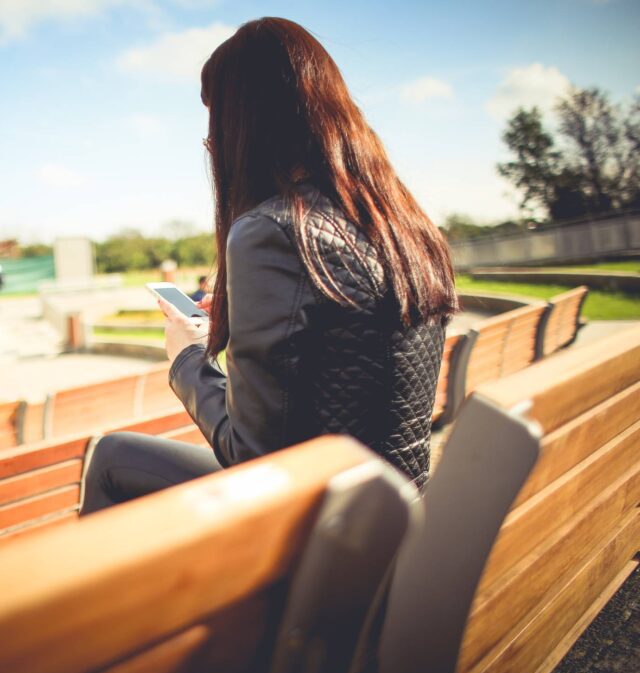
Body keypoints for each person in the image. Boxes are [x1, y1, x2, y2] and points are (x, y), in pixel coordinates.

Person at [80, 17, 457, 515]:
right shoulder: (403, 225)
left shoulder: (274, 229)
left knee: (112, 456)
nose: (213, 146)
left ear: (242, 125)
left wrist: (186, 358)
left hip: (320, 530)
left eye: (216, 126)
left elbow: (252, 455)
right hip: (394, 508)